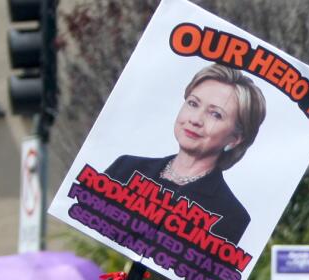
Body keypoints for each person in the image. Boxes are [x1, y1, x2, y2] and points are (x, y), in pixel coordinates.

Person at [105, 64, 266, 245]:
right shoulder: (125, 168)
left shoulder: (231, 216)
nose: (195, 119)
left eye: (216, 114)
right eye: (193, 103)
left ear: (235, 138)